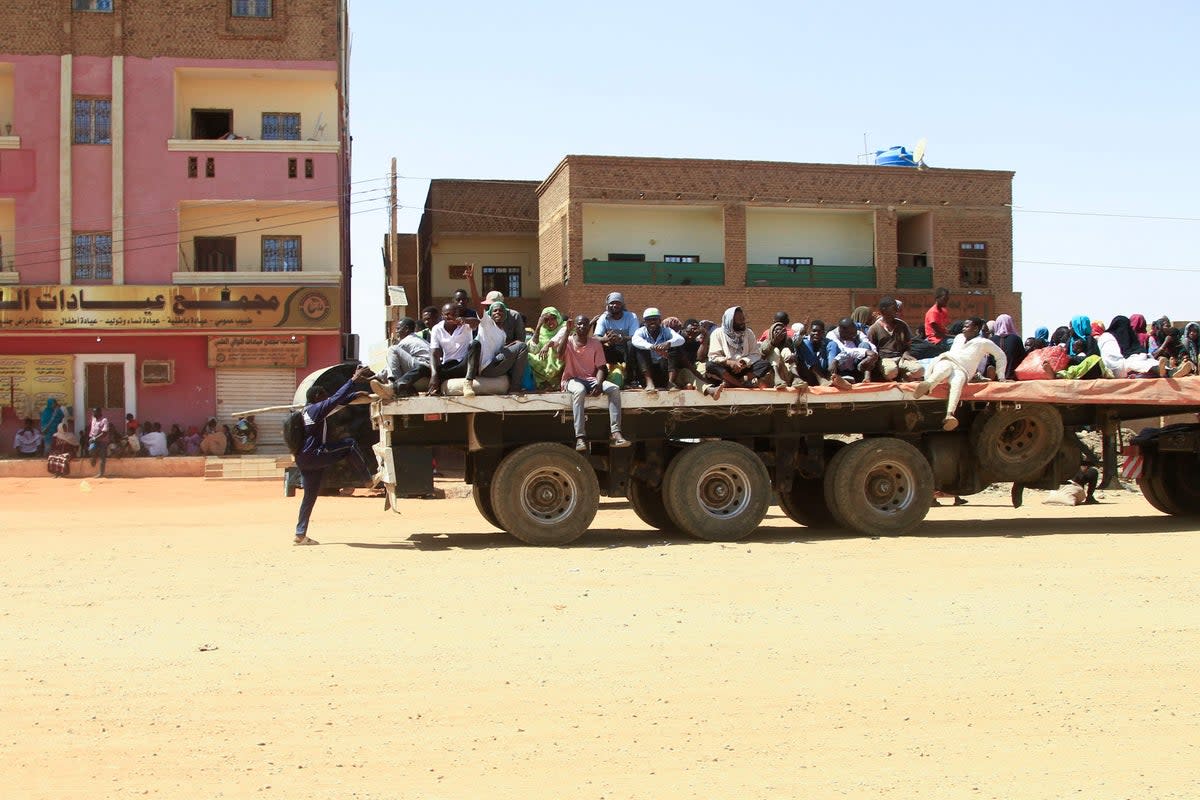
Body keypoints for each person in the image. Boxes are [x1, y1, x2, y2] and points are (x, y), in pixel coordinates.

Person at [293, 365, 376, 545]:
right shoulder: (316, 410)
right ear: (317, 397)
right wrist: (353, 379)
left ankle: (300, 534)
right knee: (349, 445)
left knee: (309, 497)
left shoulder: (307, 411)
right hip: (315, 455)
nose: (326, 399)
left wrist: (355, 395)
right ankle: (367, 479)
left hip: (304, 460)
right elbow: (335, 399)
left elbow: (337, 403)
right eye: (323, 396)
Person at [913, 317, 1008, 430]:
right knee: (944, 369)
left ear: (976, 329)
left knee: (957, 383)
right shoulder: (958, 338)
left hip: (962, 370)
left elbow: (1001, 356)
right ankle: (928, 385)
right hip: (948, 360)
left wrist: (1001, 376)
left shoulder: (983, 342)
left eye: (967, 326)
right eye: (963, 326)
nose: (963, 329)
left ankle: (949, 415)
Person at [556, 314, 630, 452]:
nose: (582, 326)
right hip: (572, 379)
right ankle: (580, 437)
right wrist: (567, 331)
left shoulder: (595, 343)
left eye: (585, 324)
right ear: (575, 326)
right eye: (579, 324)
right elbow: (559, 355)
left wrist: (599, 383)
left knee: (614, 388)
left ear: (588, 327)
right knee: (579, 391)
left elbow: (601, 367)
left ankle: (616, 432)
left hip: (591, 379)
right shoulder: (569, 340)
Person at [461, 301, 529, 397]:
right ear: (490, 314)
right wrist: (472, 285)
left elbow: (499, 352)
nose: (498, 312)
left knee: (521, 346)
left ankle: (515, 385)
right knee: (522, 346)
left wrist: (511, 345)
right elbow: (477, 305)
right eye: (495, 310)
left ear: (505, 315)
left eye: (501, 310)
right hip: (486, 367)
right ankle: (515, 388)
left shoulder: (503, 334)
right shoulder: (486, 323)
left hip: (494, 365)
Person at [706, 306, 771, 389]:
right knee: (710, 365)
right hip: (726, 368)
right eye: (739, 319)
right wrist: (730, 363)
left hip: (743, 368)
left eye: (743, 318)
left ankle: (735, 382)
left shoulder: (748, 333)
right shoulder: (717, 333)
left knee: (764, 364)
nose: (743, 321)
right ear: (730, 321)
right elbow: (713, 356)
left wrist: (743, 362)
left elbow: (755, 354)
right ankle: (741, 384)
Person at [371, 317, 433, 400]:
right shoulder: (417, 339)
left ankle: (393, 385)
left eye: (398, 329)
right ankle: (401, 387)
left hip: (423, 369)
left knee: (392, 349)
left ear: (406, 329)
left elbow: (391, 365)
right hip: (427, 371)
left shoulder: (406, 341)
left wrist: (374, 376)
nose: (396, 332)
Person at [867, 297, 923, 382]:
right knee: (891, 371)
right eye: (893, 308)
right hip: (885, 359)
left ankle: (904, 376)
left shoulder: (902, 325)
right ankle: (895, 376)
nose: (896, 311)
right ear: (884, 310)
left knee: (919, 370)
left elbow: (908, 345)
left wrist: (906, 353)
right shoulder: (874, 328)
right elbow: (872, 350)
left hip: (901, 357)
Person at [631, 307, 685, 394]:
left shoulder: (667, 331)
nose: (652, 322)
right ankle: (649, 383)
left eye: (655, 319)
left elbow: (680, 339)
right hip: (646, 372)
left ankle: (670, 383)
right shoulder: (640, 331)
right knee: (639, 348)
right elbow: (635, 340)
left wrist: (668, 343)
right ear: (645, 322)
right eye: (649, 320)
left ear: (660, 321)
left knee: (675, 346)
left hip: (663, 371)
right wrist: (652, 347)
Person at [594, 292, 641, 388]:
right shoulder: (604, 317)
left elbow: (636, 336)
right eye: (612, 303)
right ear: (608, 305)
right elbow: (595, 337)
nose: (615, 305)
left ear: (622, 305)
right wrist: (605, 339)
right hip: (612, 348)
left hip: (627, 349)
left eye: (618, 303)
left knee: (632, 344)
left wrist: (621, 338)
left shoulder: (631, 316)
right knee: (597, 345)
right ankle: (601, 377)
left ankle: (631, 379)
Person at [427, 303, 474, 396]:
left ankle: (469, 382)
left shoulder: (466, 326)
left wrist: (465, 320)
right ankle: (399, 386)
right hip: (448, 366)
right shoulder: (437, 329)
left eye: (454, 314)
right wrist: (434, 374)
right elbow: (434, 353)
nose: (451, 316)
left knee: (476, 344)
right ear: (442, 316)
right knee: (422, 368)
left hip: (464, 365)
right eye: (448, 314)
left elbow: (477, 322)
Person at [1100, 315, 1167, 378]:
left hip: (1129, 363)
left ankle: (1170, 371)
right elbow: (1114, 362)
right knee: (1134, 363)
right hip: (1117, 368)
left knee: (1148, 361)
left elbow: (1137, 351)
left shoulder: (1130, 336)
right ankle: (1158, 369)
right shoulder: (1108, 337)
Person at [826, 318, 880, 384]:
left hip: (856, 365)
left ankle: (866, 378)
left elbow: (870, 344)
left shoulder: (857, 333)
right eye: (851, 333)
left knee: (865, 345)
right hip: (839, 365)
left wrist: (873, 355)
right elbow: (845, 351)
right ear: (841, 331)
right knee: (832, 345)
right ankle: (833, 377)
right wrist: (866, 352)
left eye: (854, 332)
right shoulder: (831, 335)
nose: (854, 335)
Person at [527, 307, 566, 390]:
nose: (550, 322)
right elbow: (533, 350)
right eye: (546, 320)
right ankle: (544, 383)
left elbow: (560, 337)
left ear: (558, 318)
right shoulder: (542, 331)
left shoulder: (564, 326)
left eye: (553, 319)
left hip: (559, 360)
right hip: (543, 361)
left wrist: (548, 345)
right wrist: (538, 327)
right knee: (526, 356)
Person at [990, 313, 1025, 381]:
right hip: (1013, 378)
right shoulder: (1016, 339)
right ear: (1010, 324)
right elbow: (1022, 359)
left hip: (995, 380)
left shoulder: (991, 340)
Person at [87, 407, 112, 477]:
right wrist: (90, 437)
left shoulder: (104, 420)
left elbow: (104, 433)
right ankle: (94, 457)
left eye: (95, 412)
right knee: (91, 449)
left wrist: (95, 438)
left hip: (102, 441)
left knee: (102, 457)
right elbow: (91, 428)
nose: (93, 413)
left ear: (99, 412)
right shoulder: (93, 419)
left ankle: (101, 473)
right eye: (93, 412)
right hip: (93, 440)